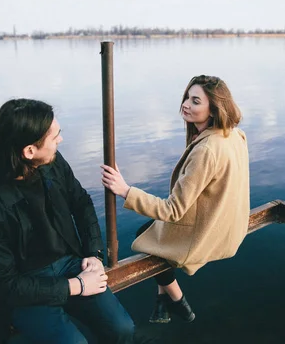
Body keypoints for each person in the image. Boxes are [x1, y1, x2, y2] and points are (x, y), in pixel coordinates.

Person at [0, 98, 134, 344]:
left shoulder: (51, 161)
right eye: (54, 137)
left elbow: (81, 202)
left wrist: (93, 253)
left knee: (123, 328)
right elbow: (3, 284)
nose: (60, 140)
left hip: (71, 263)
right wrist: (76, 287)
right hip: (24, 285)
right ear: (29, 151)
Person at [101, 75, 250, 324]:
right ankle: (163, 302)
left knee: (146, 238)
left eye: (195, 101)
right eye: (186, 98)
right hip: (232, 226)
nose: (185, 105)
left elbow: (172, 210)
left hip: (209, 234)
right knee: (152, 233)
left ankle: (178, 300)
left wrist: (125, 190)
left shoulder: (206, 150)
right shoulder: (234, 135)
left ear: (213, 109)